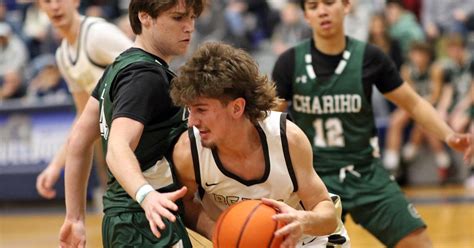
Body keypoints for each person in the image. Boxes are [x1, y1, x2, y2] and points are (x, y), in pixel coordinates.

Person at [271, 0, 472, 247]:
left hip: (365, 171)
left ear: (346, 6)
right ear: (306, 15)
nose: (322, 10)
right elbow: (271, 123)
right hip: (314, 179)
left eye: (329, 2)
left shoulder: (370, 57)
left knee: (419, 244)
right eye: (313, 6)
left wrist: (449, 135)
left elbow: (413, 103)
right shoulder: (289, 62)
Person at [170, 42, 350, 247]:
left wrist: (303, 221)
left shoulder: (287, 139)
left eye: (201, 110)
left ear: (237, 107)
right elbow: (186, 204)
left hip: (307, 241)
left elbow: (327, 217)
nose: (192, 121)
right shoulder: (187, 152)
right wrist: (220, 233)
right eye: (190, 110)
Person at [58, 0, 203, 247]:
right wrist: (146, 195)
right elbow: (117, 148)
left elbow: (78, 140)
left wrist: (74, 217)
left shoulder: (120, 66)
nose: (189, 27)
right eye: (178, 18)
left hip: (124, 219)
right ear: (145, 18)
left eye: (192, 18)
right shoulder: (145, 76)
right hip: (146, 221)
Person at [36, 0, 133, 201]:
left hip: (145, 125)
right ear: (40, 7)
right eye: (47, 1)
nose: (54, 6)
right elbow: (83, 117)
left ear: (75, 1)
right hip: (118, 134)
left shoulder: (96, 35)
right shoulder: (63, 55)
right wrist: (55, 166)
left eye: (60, 0)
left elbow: (149, 67)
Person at [383, 42, 450, 183]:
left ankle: (438, 159)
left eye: (421, 54)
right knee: (396, 119)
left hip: (432, 106)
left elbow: (436, 95)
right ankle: (392, 163)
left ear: (427, 55)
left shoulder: (435, 69)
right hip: (413, 105)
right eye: (415, 54)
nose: (418, 57)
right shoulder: (407, 69)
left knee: (424, 121)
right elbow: (407, 94)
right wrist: (414, 107)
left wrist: (420, 107)